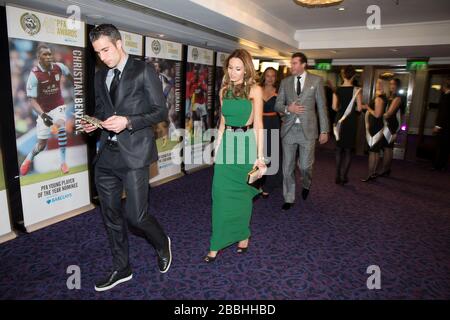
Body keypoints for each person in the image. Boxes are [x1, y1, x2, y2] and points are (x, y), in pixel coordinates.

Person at [81, 24, 172, 291]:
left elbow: (160, 112)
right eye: (98, 53)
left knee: (136, 216)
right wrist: (94, 123)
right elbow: (101, 109)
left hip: (134, 155)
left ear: (119, 44)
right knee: (110, 216)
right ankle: (122, 268)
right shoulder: (100, 76)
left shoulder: (144, 71)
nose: (103, 57)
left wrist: (128, 121)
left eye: (106, 50)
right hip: (107, 156)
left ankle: (162, 242)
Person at [205, 49, 267, 262]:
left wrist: (260, 157)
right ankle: (217, 242)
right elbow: (222, 123)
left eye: (238, 69)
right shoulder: (223, 91)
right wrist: (216, 148)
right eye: (230, 68)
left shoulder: (254, 90)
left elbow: (259, 124)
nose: (233, 72)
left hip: (246, 144)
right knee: (219, 194)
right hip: (227, 146)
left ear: (247, 69)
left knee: (242, 195)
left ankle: (243, 235)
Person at [274, 52, 329, 211]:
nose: (292, 66)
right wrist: (287, 108)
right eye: (291, 63)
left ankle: (306, 183)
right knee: (287, 167)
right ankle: (289, 197)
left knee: (305, 166)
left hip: (308, 131)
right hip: (289, 129)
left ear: (304, 64)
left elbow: (321, 107)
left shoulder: (316, 81)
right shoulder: (285, 82)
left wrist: (324, 130)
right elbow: (277, 105)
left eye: (295, 63)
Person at [20, 44, 73, 176]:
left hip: (59, 106)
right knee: (41, 145)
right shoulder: (34, 75)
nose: (48, 57)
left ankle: (63, 162)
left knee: (61, 124)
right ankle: (28, 160)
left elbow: (73, 79)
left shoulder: (60, 68)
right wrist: (43, 115)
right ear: (39, 57)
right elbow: (31, 100)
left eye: (49, 54)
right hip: (43, 110)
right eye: (45, 55)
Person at [332, 65, 363, 185]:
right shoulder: (357, 90)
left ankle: (337, 175)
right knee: (348, 150)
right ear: (354, 75)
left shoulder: (337, 89)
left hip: (339, 120)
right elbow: (359, 109)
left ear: (343, 75)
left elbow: (334, 107)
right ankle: (344, 176)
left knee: (339, 149)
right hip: (350, 121)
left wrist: (341, 109)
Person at [260, 67, 282, 198]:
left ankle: (268, 185)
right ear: (264, 76)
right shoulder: (257, 90)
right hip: (259, 123)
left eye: (273, 76)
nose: (270, 78)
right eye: (268, 75)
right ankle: (258, 181)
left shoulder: (279, 92)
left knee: (272, 155)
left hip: (273, 123)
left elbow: (284, 111)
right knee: (259, 154)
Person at [361, 78, 387, 182]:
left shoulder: (379, 99)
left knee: (373, 152)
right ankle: (373, 173)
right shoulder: (381, 97)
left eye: (380, 83)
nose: (377, 85)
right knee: (376, 151)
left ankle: (370, 174)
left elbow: (377, 114)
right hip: (378, 126)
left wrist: (367, 108)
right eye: (377, 82)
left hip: (375, 126)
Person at [379, 78, 403, 177]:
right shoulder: (390, 97)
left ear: (397, 86)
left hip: (391, 124)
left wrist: (376, 115)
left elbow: (389, 114)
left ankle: (385, 170)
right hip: (387, 123)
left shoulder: (397, 98)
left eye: (393, 84)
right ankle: (386, 169)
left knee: (388, 148)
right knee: (387, 147)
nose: (391, 86)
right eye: (390, 84)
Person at [432, 78, 450, 171]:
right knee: (445, 146)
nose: (441, 87)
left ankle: (438, 165)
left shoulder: (447, 97)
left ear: (445, 86)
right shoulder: (446, 95)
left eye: (442, 85)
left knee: (441, 146)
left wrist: (437, 126)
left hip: (444, 126)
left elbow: (444, 113)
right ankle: (442, 165)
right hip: (447, 126)